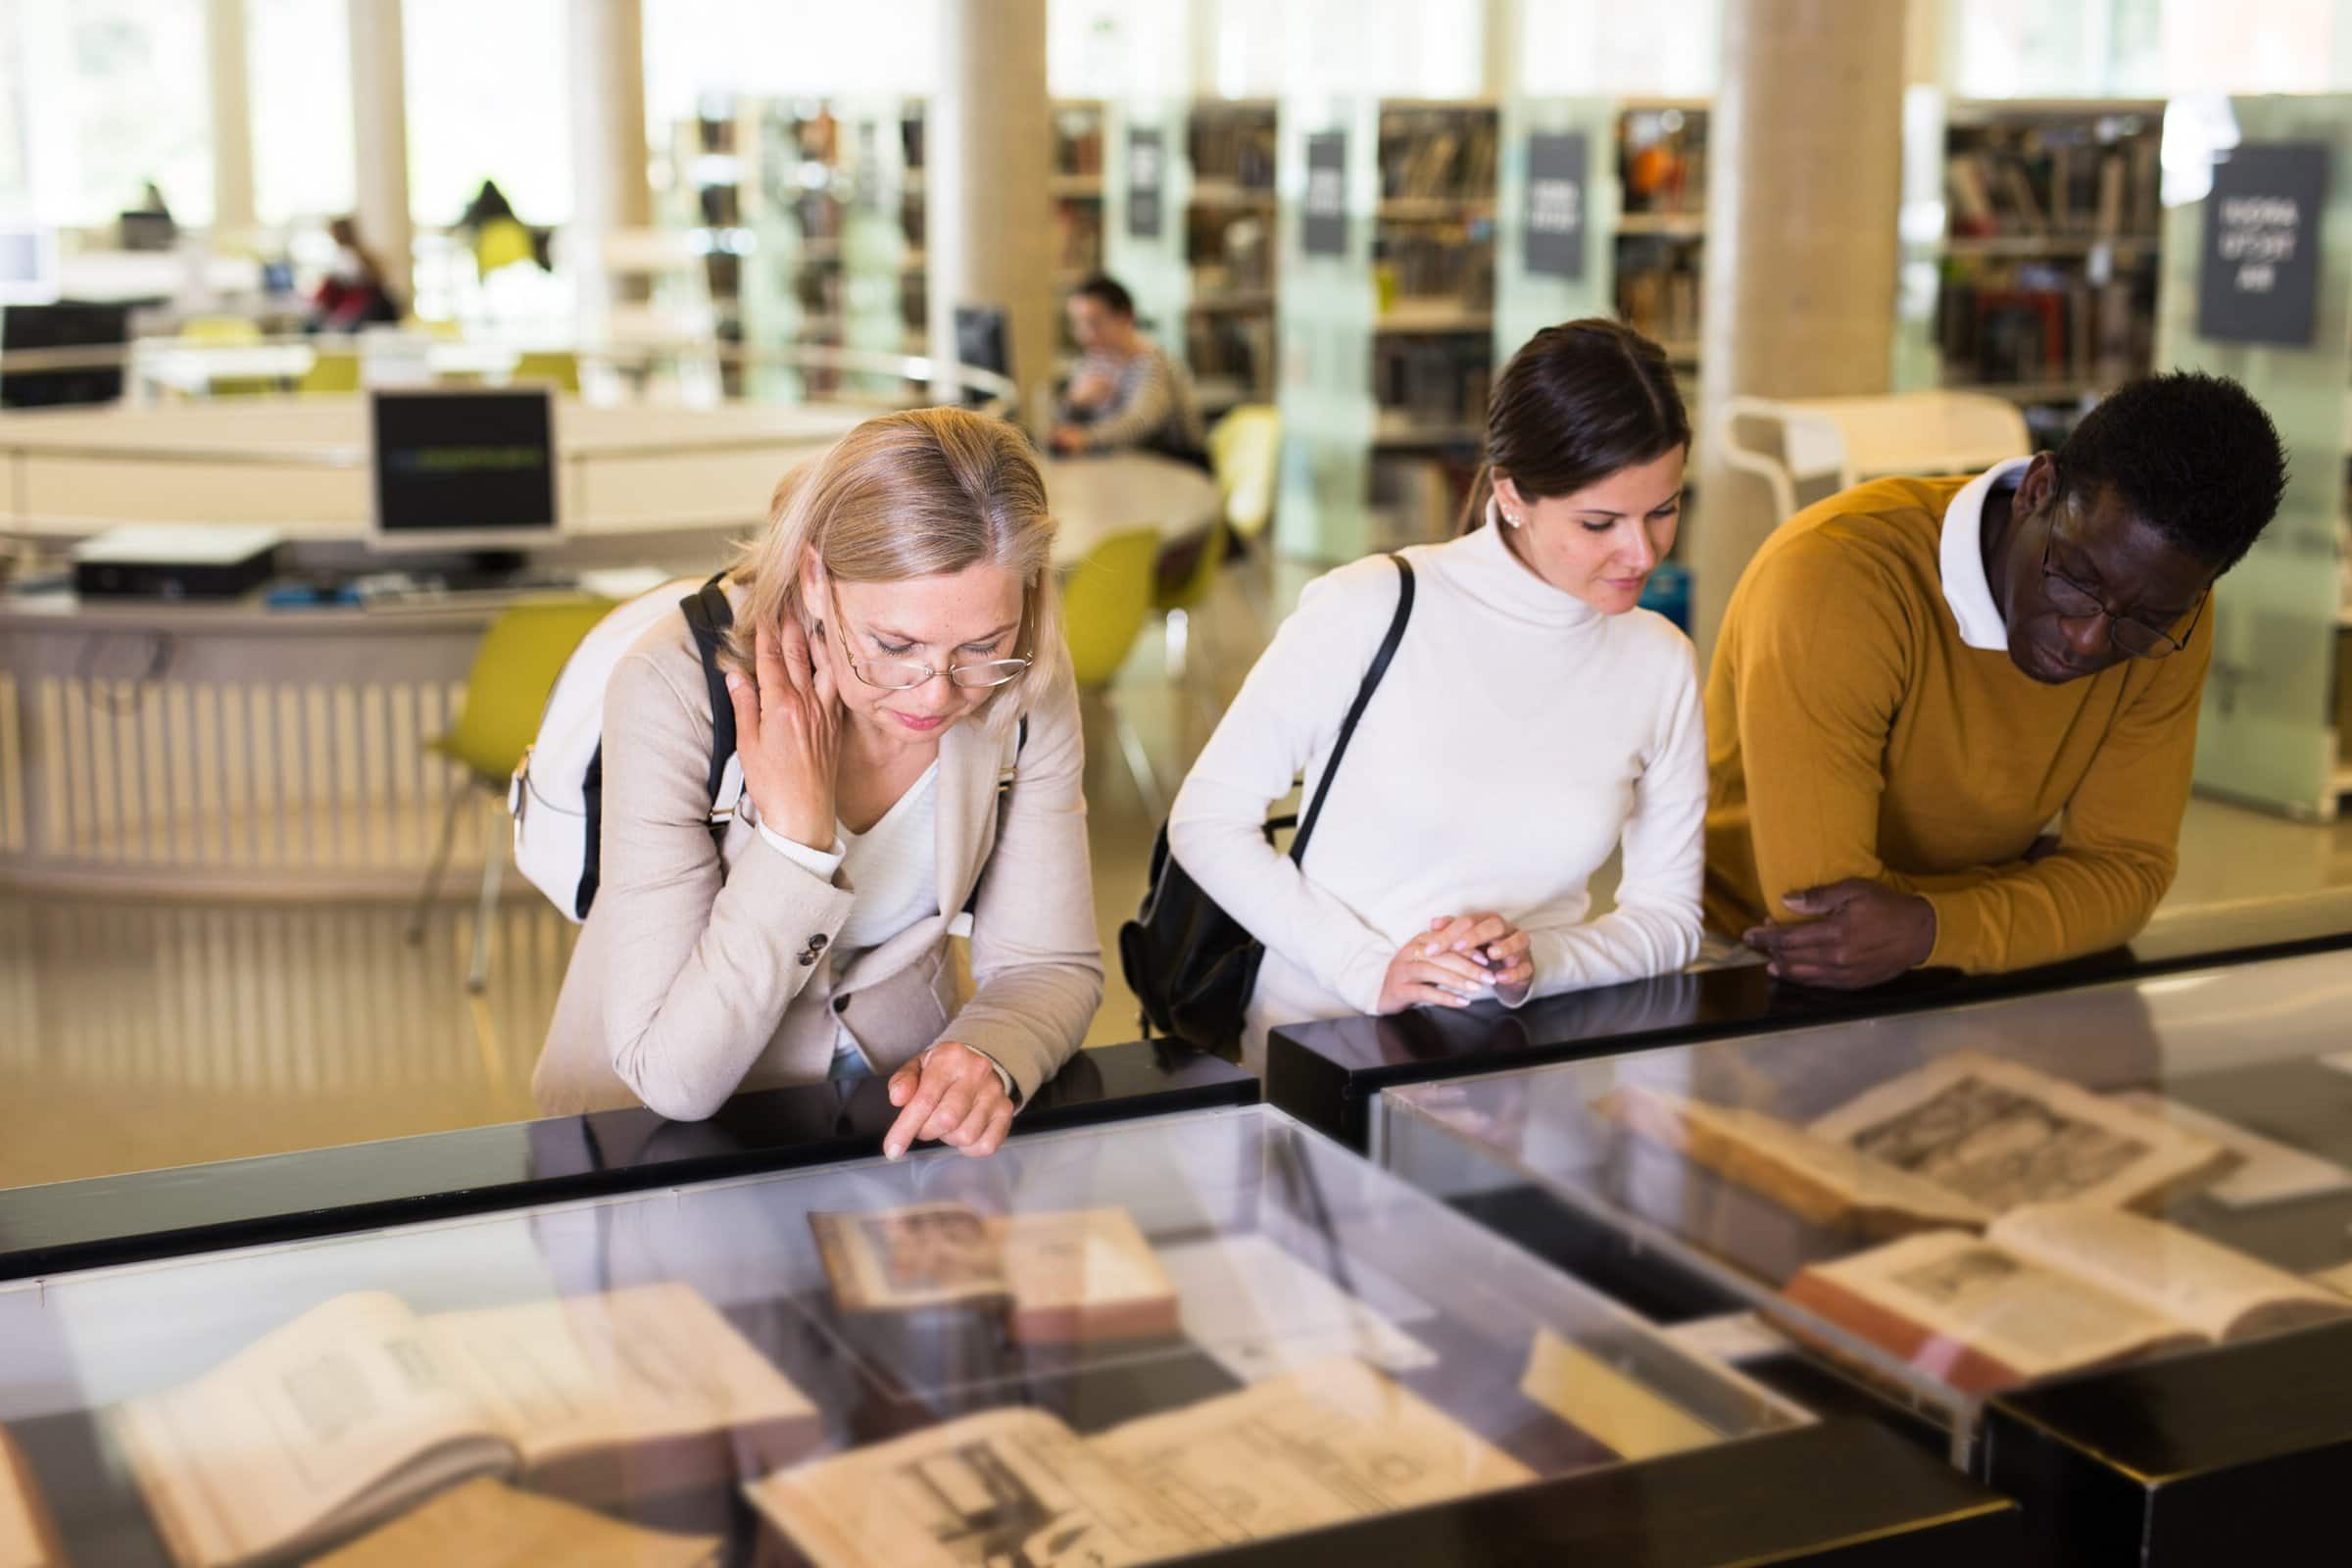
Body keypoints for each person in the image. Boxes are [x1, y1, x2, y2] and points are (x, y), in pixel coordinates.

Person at [533, 408, 1102, 1157]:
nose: (937, 693)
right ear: (812, 577)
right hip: (656, 1140)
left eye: (981, 645)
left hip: (886, 1115)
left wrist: (990, 1053)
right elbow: (673, 1078)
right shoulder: (672, 686)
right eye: (894, 645)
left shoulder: (1023, 679)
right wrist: (795, 844)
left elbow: (1048, 962)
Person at [1167, 319, 1707, 1065]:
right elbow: (1207, 820)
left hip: (1525, 1066)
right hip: (1329, 1051)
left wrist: (1538, 962)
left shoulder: (1660, 662)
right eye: (1599, 522)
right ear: (1512, 494)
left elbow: (1669, 918)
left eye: (1665, 510)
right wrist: (1370, 970)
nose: (1641, 552)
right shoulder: (1369, 607)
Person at [1708, 370, 2288, 990]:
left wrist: (1929, 925)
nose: (2088, 639)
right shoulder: (1835, 577)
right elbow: (1820, 916)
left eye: (2145, 618)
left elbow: (2127, 877)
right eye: (2076, 578)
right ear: (2037, 489)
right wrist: (2031, 891)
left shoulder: (2168, 619)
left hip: (1947, 967)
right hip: (1735, 963)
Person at [1050, 275, 1204, 461]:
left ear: (1126, 317)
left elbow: (1139, 423)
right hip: (1120, 467)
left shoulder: (1154, 364)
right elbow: (1063, 427)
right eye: (1077, 323)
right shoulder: (1092, 362)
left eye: (1093, 323)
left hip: (1171, 464)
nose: (1083, 335)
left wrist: (1086, 438)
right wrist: (1074, 401)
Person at [311, 217, 401, 331]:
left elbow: (345, 287)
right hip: (373, 308)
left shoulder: (347, 256)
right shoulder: (362, 254)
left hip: (364, 309)